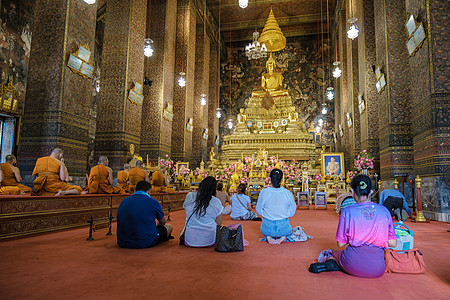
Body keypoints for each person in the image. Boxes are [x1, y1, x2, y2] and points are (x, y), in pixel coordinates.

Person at [310, 175, 397, 278]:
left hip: (351, 263)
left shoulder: (347, 211)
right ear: (371, 192)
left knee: (330, 253)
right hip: (378, 269)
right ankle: (340, 265)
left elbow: (340, 244)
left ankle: (334, 263)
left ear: (352, 192)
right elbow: (393, 243)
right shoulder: (384, 211)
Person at [117, 181, 173, 249]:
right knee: (169, 226)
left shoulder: (124, 201)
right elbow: (163, 222)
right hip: (145, 242)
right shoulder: (153, 202)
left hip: (123, 241)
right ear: (149, 191)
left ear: (135, 190)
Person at [256, 168, 296, 244]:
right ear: (281, 180)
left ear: (270, 179)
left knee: (267, 227)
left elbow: (259, 210)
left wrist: (269, 215)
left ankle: (268, 236)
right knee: (288, 229)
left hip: (266, 228)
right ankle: (283, 236)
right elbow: (292, 212)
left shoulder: (264, 192)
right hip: (284, 228)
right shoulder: (287, 193)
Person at [182, 176, 223, 247]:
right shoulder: (216, 201)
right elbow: (219, 223)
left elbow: (186, 209)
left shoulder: (190, 196)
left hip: (189, 240)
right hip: (210, 240)